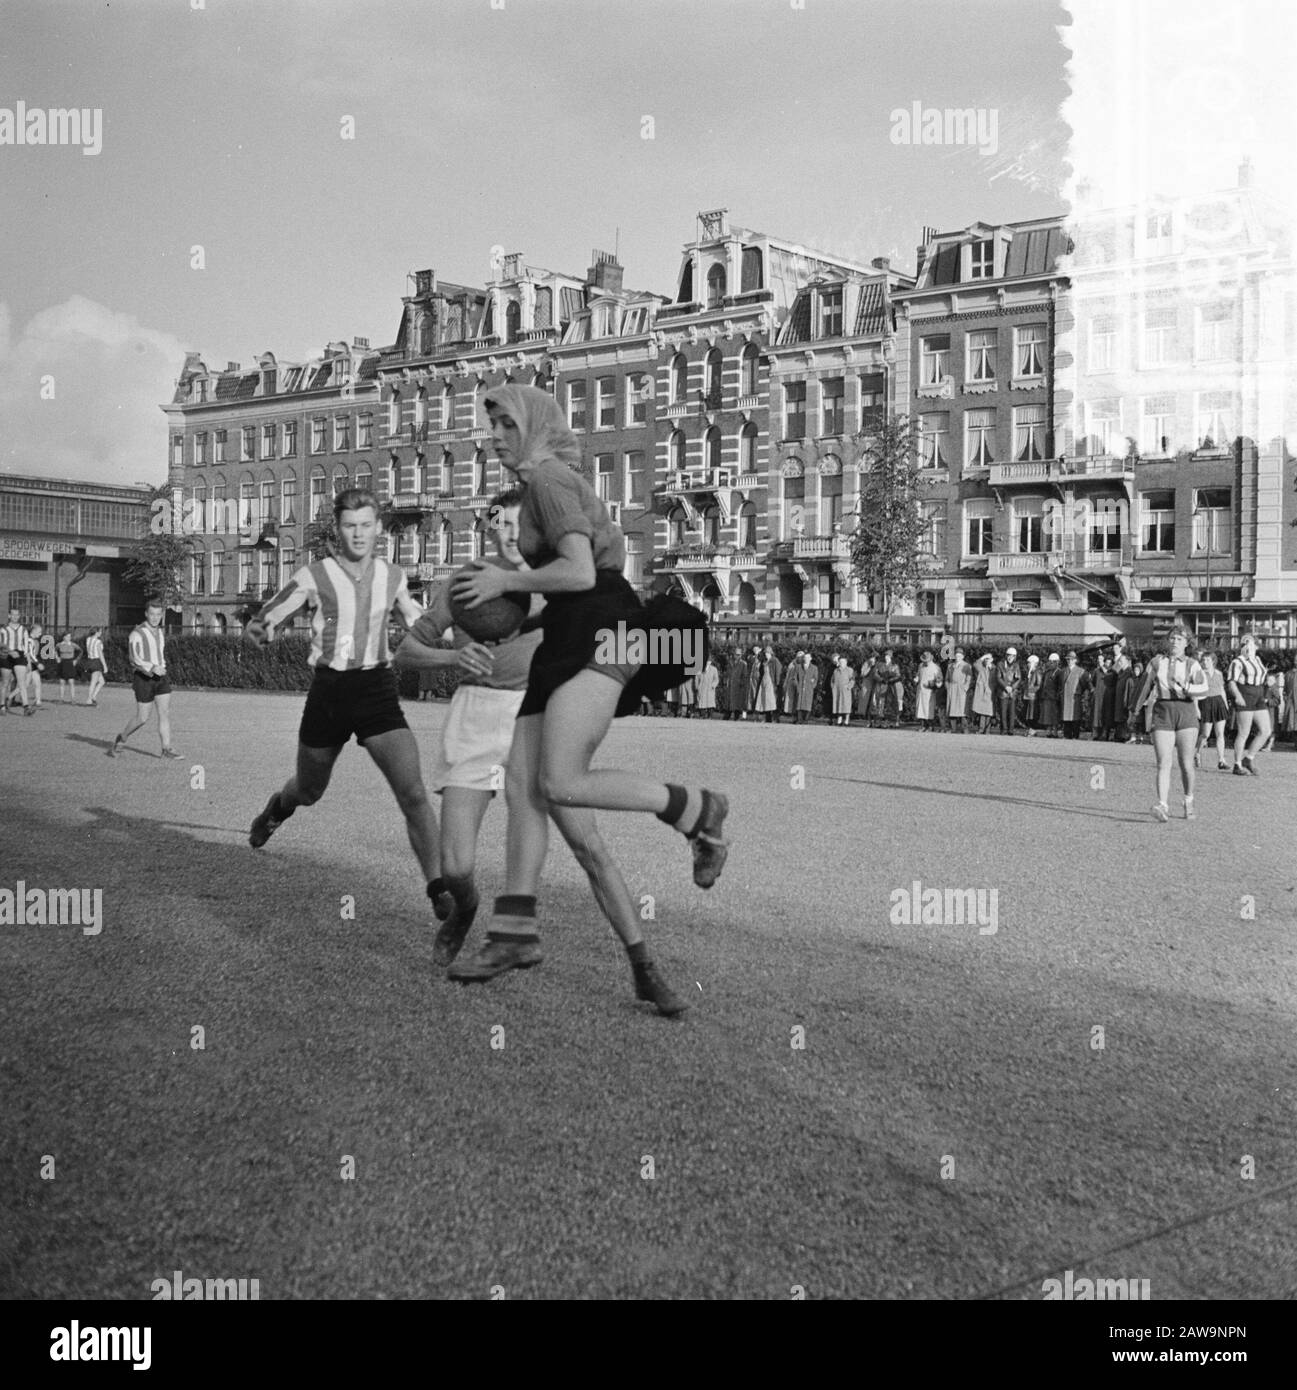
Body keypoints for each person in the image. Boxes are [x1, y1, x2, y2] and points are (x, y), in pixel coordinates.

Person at [443, 383, 726, 1001]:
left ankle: (695, 809)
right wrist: (522, 617)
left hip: (606, 629)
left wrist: (504, 580)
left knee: (562, 782)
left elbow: (579, 572)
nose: (492, 436)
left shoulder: (546, 480)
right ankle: (515, 930)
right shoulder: (538, 486)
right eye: (490, 425)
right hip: (571, 633)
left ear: (536, 426)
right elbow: (574, 582)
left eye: (504, 424)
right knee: (524, 789)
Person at [244, 489, 446, 926]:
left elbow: (420, 624)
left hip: (377, 691)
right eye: (349, 525)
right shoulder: (314, 575)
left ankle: (438, 888)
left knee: (412, 792)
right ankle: (277, 809)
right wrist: (261, 631)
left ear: (378, 529)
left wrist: (463, 634)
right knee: (310, 791)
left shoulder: (393, 577)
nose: (358, 533)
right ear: (339, 529)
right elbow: (267, 618)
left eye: (366, 525)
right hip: (329, 694)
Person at [1131, 624, 1208, 821]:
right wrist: (1135, 710)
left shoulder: (1193, 664)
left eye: (1180, 639)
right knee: (1163, 763)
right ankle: (1162, 804)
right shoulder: (1157, 662)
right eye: (1172, 638)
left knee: (1185, 763)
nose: (1175, 642)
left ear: (1186, 643)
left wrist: (1188, 688)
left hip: (1186, 713)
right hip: (1163, 712)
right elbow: (1143, 687)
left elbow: (1204, 689)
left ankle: (1188, 799)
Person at [108, 598, 181, 759]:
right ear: (146, 614)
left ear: (162, 615)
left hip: (161, 678)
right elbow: (134, 658)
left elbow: (159, 654)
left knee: (164, 713)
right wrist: (152, 667)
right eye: (152, 614)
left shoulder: (160, 632)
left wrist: (162, 666)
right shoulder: (137, 633)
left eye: (158, 614)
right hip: (143, 679)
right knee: (142, 718)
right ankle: (122, 737)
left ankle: (166, 749)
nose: (155, 618)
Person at [1226, 633, 1270, 777]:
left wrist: (1269, 681)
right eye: (1245, 644)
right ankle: (1237, 764)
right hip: (1245, 692)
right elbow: (1231, 681)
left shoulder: (1257, 659)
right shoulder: (1238, 661)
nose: (1248, 646)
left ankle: (1248, 758)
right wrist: (1238, 696)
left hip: (1258, 693)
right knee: (1244, 732)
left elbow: (1261, 675)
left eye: (1250, 643)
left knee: (1265, 730)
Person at [1195, 651, 1230, 770]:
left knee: (1220, 733)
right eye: (1203, 660)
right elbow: (1195, 692)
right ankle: (1197, 753)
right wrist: (1196, 708)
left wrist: (1225, 705)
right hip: (1206, 702)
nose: (1205, 662)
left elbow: (1222, 690)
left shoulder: (1219, 674)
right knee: (1205, 734)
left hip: (1218, 702)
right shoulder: (1199, 674)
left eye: (1208, 660)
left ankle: (1221, 760)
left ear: (1213, 661)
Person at [0, 608, 33, 716]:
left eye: (17, 615)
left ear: (19, 616)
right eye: (13, 615)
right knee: (5, 682)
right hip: (6, 655)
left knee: (22, 682)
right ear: (9, 616)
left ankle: (26, 707)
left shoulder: (23, 629)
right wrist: (10, 651)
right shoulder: (3, 629)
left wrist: (28, 662)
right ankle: (2, 706)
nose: (15, 617)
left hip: (19, 655)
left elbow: (26, 647)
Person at [1060, 650, 1090, 739]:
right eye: (1068, 659)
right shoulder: (1063, 671)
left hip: (1075, 697)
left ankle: (1075, 735)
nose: (1069, 661)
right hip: (1065, 696)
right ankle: (1067, 734)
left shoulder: (1081, 671)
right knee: (1066, 716)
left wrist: (1080, 692)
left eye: (1071, 659)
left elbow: (1085, 684)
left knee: (1075, 716)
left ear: (1075, 660)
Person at [994, 647, 1022, 736]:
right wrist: (1006, 687)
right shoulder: (1000, 664)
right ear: (1006, 655)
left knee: (1012, 712)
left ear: (1015, 657)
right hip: (1003, 691)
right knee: (1003, 711)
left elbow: (1018, 679)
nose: (1010, 657)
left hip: (1012, 692)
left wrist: (1012, 688)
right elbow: (998, 677)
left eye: (1012, 656)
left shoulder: (1016, 666)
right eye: (1009, 655)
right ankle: (1004, 729)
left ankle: (1011, 730)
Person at [751, 644, 781, 724]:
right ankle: (767, 718)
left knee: (772, 702)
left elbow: (778, 672)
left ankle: (774, 718)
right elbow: (761, 672)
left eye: (768, 653)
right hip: (763, 683)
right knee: (764, 701)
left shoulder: (775, 661)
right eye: (765, 653)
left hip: (771, 683)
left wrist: (777, 684)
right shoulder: (764, 662)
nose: (766, 654)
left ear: (771, 653)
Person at [913, 650, 942, 731]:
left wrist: (933, 685)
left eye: (926, 661)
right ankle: (922, 725)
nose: (925, 662)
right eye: (924, 660)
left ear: (930, 659)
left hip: (929, 691)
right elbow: (918, 675)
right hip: (920, 690)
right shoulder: (920, 666)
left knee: (929, 708)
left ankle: (930, 726)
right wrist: (916, 679)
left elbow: (939, 680)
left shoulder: (936, 668)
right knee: (920, 708)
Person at [944, 648, 971, 733]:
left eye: (959, 655)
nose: (957, 657)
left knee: (963, 709)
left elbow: (969, 678)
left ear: (962, 656)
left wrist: (965, 687)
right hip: (952, 688)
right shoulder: (950, 666)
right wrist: (948, 687)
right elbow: (947, 678)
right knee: (952, 709)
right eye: (956, 655)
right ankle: (953, 728)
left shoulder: (967, 666)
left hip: (961, 688)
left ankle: (965, 728)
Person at [875, 649, 904, 728]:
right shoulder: (880, 665)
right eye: (886, 656)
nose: (886, 657)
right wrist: (881, 679)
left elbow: (898, 675)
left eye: (888, 656)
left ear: (891, 657)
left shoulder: (895, 666)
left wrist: (891, 679)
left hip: (892, 686)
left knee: (891, 703)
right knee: (881, 702)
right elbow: (875, 674)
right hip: (882, 685)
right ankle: (879, 721)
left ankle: (891, 721)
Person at [1037, 652, 1063, 737]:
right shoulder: (1047, 672)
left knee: (1054, 715)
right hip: (1046, 696)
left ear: (1057, 662)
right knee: (1047, 715)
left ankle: (1055, 731)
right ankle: (1048, 731)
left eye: (1053, 662)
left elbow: (1060, 686)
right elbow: (1043, 684)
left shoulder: (1059, 672)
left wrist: (1058, 696)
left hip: (1054, 697)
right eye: (1050, 661)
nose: (1051, 663)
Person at [970, 653, 995, 733]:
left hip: (990, 692)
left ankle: (987, 730)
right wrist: (984, 656)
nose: (987, 661)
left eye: (989, 659)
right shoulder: (982, 668)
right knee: (982, 712)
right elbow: (975, 664)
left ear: (992, 660)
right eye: (986, 659)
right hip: (982, 692)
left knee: (989, 712)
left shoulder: (995, 669)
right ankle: (981, 729)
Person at [723, 649, 749, 721]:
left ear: (741, 655)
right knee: (729, 702)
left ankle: (737, 716)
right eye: (736, 654)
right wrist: (726, 682)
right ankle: (727, 715)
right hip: (731, 686)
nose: (737, 656)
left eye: (738, 655)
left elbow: (745, 676)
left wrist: (741, 683)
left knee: (738, 703)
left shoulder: (743, 664)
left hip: (738, 687)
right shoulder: (730, 663)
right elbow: (727, 674)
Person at [55, 631, 82, 704]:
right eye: (67, 636)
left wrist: (76, 660)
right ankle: (61, 699)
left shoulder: (73, 645)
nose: (69, 638)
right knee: (62, 682)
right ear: (64, 637)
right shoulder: (59, 645)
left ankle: (73, 699)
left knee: (71, 682)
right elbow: (55, 650)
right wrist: (57, 657)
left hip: (70, 663)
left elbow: (80, 651)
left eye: (70, 637)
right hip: (62, 663)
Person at [25, 622, 46, 710]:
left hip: (33, 664)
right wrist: (38, 664)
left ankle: (38, 701)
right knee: (25, 685)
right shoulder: (29, 640)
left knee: (38, 683)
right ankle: (9, 698)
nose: (40, 634)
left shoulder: (34, 641)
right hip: (29, 664)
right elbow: (30, 654)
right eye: (39, 632)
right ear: (33, 631)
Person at [84, 626, 107, 705]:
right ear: (96, 632)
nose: (101, 633)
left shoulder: (88, 639)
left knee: (102, 681)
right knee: (93, 682)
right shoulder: (98, 642)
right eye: (100, 632)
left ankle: (93, 696)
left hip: (89, 661)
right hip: (96, 661)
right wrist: (105, 666)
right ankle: (89, 699)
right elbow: (100, 655)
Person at [793, 651, 818, 725]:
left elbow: (815, 679)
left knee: (807, 704)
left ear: (810, 658)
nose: (806, 659)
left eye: (808, 657)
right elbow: (795, 678)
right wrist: (797, 686)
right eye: (805, 657)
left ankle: (806, 719)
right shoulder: (798, 667)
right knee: (799, 704)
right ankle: (799, 719)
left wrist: (812, 686)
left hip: (809, 688)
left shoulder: (814, 668)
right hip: (800, 688)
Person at [1022, 653, 1042, 736]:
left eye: (1029, 662)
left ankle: (1032, 729)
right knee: (1027, 714)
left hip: (1033, 697)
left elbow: (1039, 685)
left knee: (1032, 714)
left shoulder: (1037, 672)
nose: (1028, 664)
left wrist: (1031, 690)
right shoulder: (1029, 673)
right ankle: (1029, 729)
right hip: (1027, 696)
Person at [856, 653, 879, 727]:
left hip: (876, 685)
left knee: (875, 703)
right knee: (867, 703)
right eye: (871, 657)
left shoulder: (878, 665)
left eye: (874, 658)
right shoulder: (866, 664)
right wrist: (869, 666)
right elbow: (863, 674)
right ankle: (868, 721)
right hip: (867, 685)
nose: (872, 659)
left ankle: (875, 721)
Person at [830, 655, 853, 726]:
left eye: (843, 662)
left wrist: (849, 687)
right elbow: (832, 680)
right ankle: (839, 720)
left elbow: (852, 680)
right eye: (840, 662)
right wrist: (833, 687)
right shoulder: (835, 670)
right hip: (837, 691)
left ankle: (846, 720)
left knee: (846, 705)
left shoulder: (850, 670)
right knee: (838, 705)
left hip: (846, 691)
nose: (842, 663)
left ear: (846, 662)